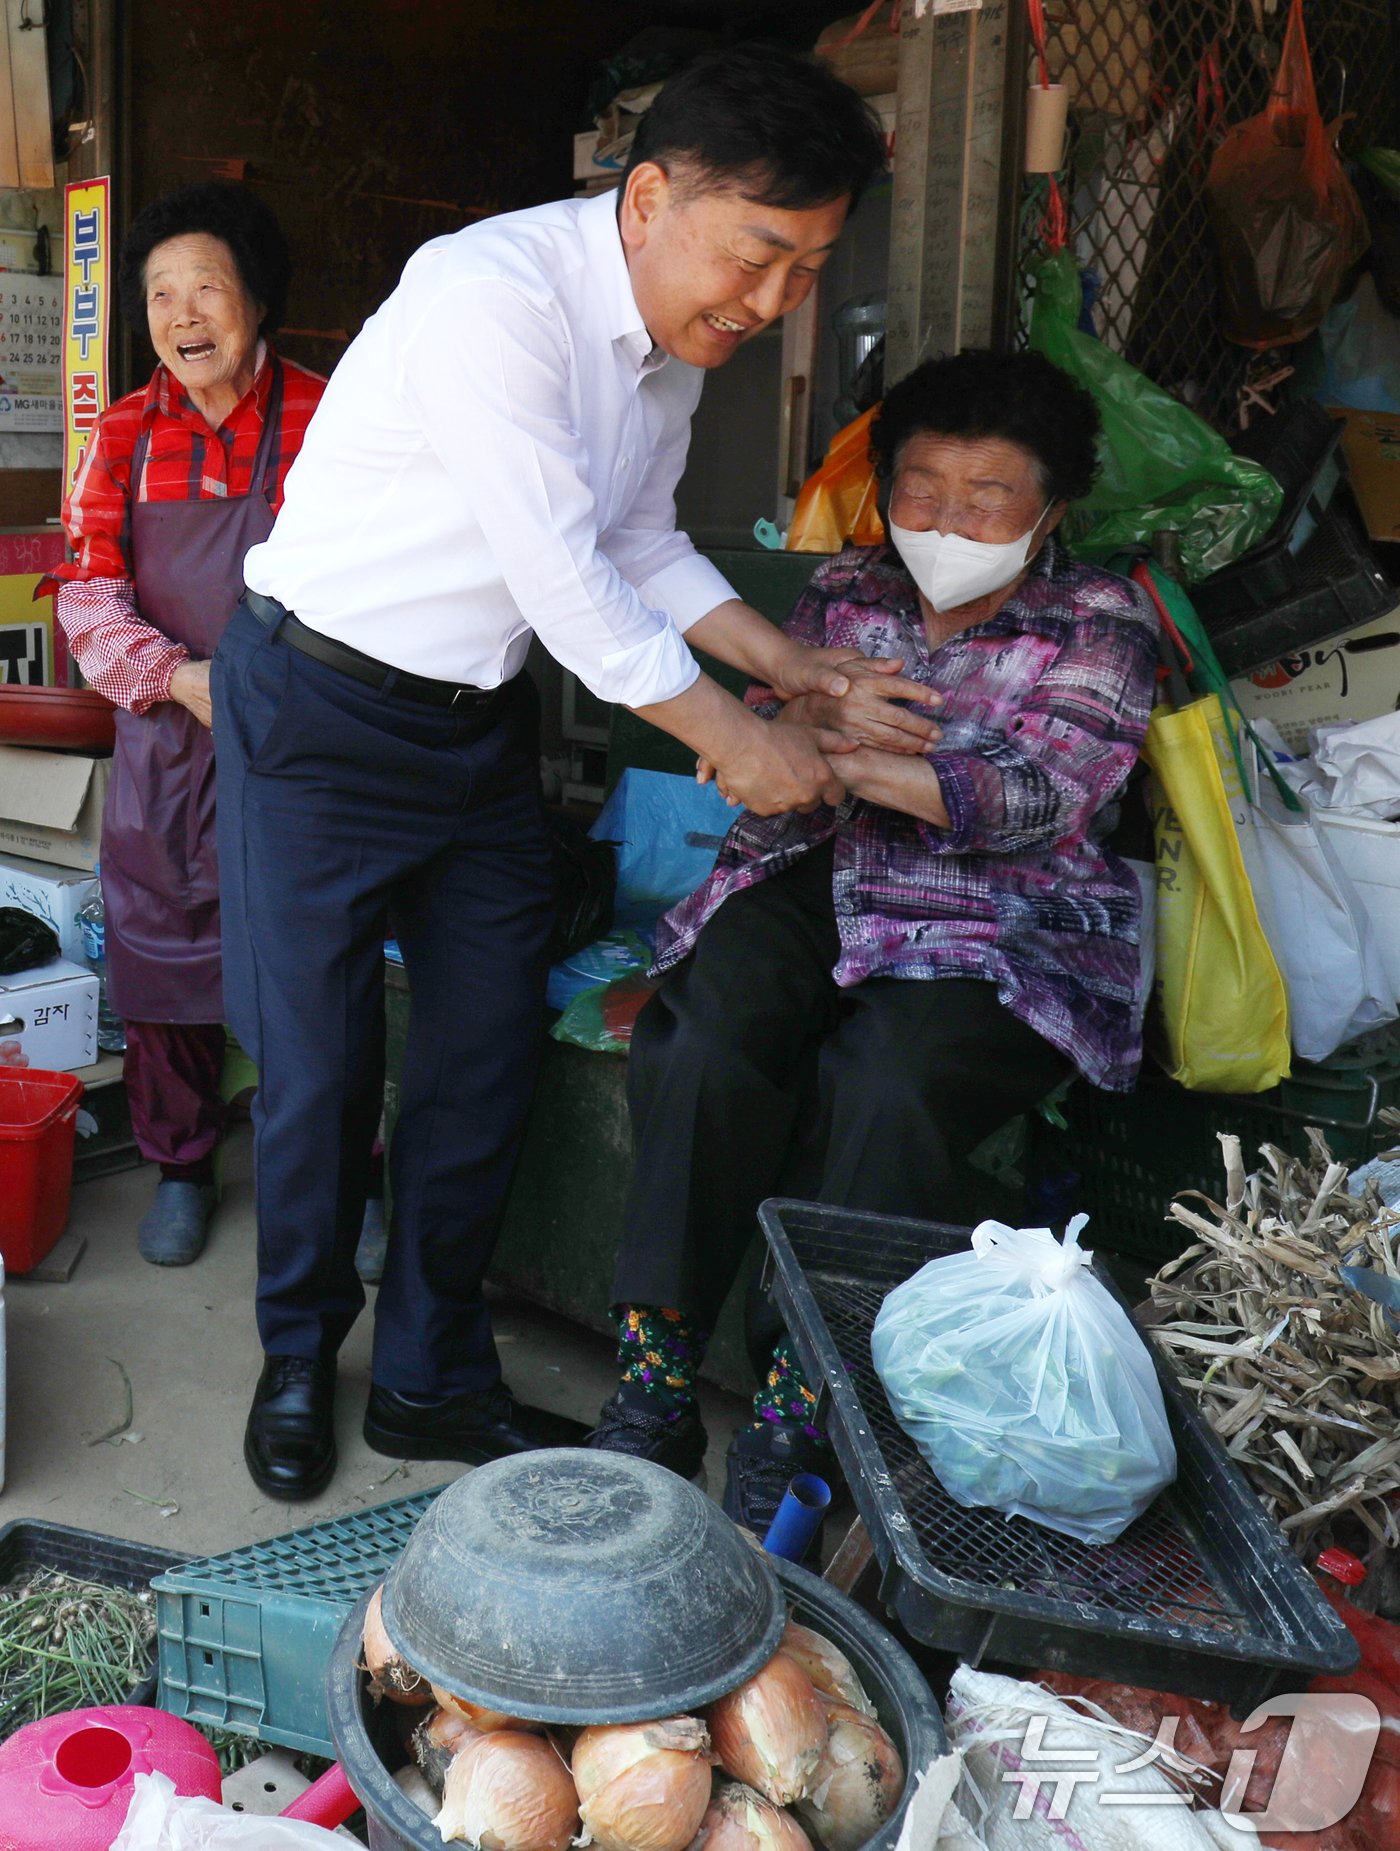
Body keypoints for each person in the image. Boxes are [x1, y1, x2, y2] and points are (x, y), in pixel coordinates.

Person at [213, 47, 890, 1501]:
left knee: (480, 1052)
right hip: (318, 714)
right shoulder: (491, 301)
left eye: (806, 270)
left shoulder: (663, 348)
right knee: (320, 1070)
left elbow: (642, 537)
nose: (771, 304)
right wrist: (736, 738)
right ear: (650, 197)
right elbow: (572, 580)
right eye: (757, 255)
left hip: (470, 727)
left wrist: (792, 659)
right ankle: (293, 1355)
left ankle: (428, 1376)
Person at [588, 348, 1160, 1534]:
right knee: (703, 1036)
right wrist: (798, 725)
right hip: (823, 873)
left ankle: (799, 1409)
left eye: (987, 494)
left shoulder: (1097, 621)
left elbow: (1035, 798)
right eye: (921, 488)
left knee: (885, 1084)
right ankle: (652, 1386)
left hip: (1007, 925)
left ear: (1049, 508)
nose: (948, 519)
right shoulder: (846, 592)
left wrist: (838, 754)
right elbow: (765, 742)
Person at [43, 184, 326, 1268]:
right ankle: (180, 1165)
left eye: (205, 284)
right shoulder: (120, 433)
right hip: (170, 732)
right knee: (163, 957)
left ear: (257, 297)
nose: (182, 312)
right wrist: (174, 676)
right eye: (160, 293)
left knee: (324, 948)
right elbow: (85, 592)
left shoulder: (327, 416)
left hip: (308, 727)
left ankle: (355, 1168)